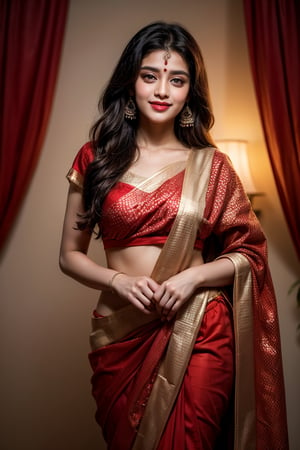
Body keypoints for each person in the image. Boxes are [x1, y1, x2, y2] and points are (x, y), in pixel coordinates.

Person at [59, 22, 289, 450]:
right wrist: (119, 282)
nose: (162, 89)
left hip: (199, 325)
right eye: (150, 75)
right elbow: (69, 256)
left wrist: (191, 279)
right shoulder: (95, 158)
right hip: (121, 333)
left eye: (177, 79)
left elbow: (250, 253)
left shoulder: (212, 165)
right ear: (131, 83)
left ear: (189, 92)